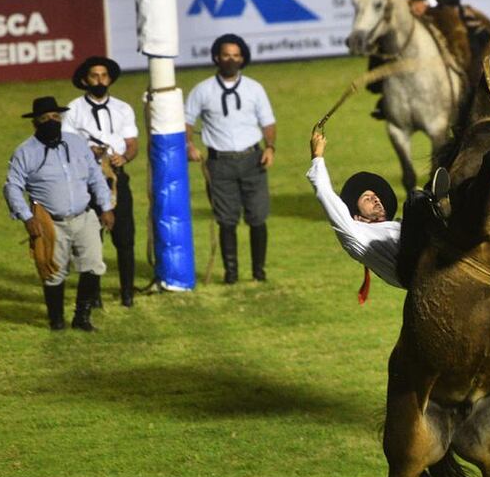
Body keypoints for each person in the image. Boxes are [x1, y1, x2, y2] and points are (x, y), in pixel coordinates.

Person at [3, 96, 114, 332]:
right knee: (53, 272)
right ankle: (57, 320)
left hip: (84, 216)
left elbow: (95, 176)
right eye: (44, 119)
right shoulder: (25, 152)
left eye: (55, 117)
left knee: (93, 265)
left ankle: (82, 317)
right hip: (51, 222)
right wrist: (27, 217)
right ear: (35, 123)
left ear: (61, 118)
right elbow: (12, 185)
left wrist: (106, 206)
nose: (51, 122)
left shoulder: (76, 143)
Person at [307, 130, 443, 300]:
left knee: (422, 198)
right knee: (415, 200)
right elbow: (325, 194)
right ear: (357, 216)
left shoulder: (397, 225)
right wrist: (317, 156)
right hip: (414, 270)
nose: (376, 199)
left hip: (427, 250)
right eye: (367, 198)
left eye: (376, 197)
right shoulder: (355, 233)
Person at [185, 33, 276, 284]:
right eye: (226, 55)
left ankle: (259, 271)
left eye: (236, 56)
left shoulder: (254, 89)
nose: (231, 60)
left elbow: (267, 121)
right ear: (216, 57)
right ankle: (231, 273)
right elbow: (186, 120)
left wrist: (270, 147)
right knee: (226, 219)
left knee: (258, 216)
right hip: (219, 162)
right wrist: (189, 144)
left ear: (243, 58)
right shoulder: (203, 90)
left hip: (252, 158)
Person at [63, 55, 139, 307]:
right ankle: (92, 295)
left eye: (104, 75)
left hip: (116, 179)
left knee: (125, 236)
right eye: (94, 76)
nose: (99, 80)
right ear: (85, 79)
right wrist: (89, 152)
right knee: (91, 239)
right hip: (86, 181)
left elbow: (132, 144)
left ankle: (127, 290)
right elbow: (68, 145)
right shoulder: (73, 110)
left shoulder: (123, 108)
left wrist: (124, 158)